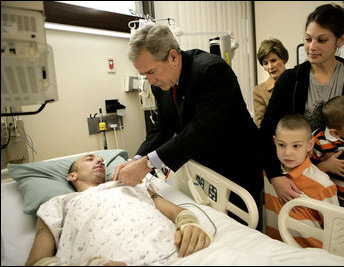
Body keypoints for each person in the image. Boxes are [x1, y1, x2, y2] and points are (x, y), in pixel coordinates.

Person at [110, 24, 264, 225]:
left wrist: (147, 164)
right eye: (144, 76)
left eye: (152, 72)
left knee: (242, 230)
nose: (150, 81)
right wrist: (136, 159)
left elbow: (201, 130)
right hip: (205, 170)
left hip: (236, 165)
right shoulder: (161, 84)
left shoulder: (211, 71)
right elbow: (164, 127)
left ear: (173, 57)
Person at [259, 2, 344, 206]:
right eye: (308, 39)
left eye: (322, 40)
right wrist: (275, 176)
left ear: (340, 40)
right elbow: (265, 133)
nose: (311, 47)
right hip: (302, 186)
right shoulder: (290, 81)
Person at [25, 154, 212, 266]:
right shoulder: (59, 203)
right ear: (71, 176)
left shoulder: (132, 186)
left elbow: (179, 213)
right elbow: (37, 261)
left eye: (100, 159)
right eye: (89, 159)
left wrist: (189, 223)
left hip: (178, 254)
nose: (99, 160)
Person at [265, 113, 338, 248]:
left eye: (296, 146)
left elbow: (335, 230)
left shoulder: (323, 184)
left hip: (312, 256)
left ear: (310, 144)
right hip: (276, 249)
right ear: (275, 142)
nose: (287, 152)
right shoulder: (268, 175)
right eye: (282, 145)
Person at [253, 38, 289, 128]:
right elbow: (261, 126)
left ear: (284, 59)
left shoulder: (297, 81)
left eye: (273, 60)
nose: (270, 67)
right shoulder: (259, 91)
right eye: (265, 63)